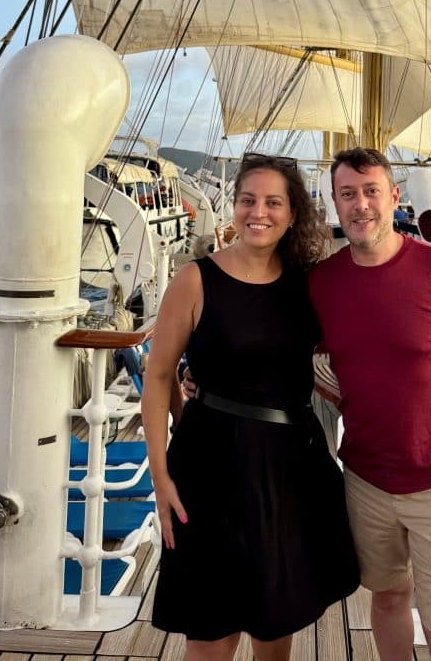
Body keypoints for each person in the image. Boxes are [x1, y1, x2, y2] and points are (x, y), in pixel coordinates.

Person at [141, 153, 359, 661]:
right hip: (209, 467)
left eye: (273, 202)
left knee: (273, 623)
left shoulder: (307, 282)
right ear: (233, 207)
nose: (258, 212)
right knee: (211, 631)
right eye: (247, 200)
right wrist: (161, 475)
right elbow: (157, 377)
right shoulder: (195, 280)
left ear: (292, 212)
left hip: (289, 467)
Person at [308, 147, 431, 661]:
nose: (361, 205)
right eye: (348, 194)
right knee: (389, 595)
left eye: (371, 191)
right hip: (367, 479)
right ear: (335, 203)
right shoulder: (324, 284)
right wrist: (198, 371)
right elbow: (275, 344)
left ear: (394, 197)